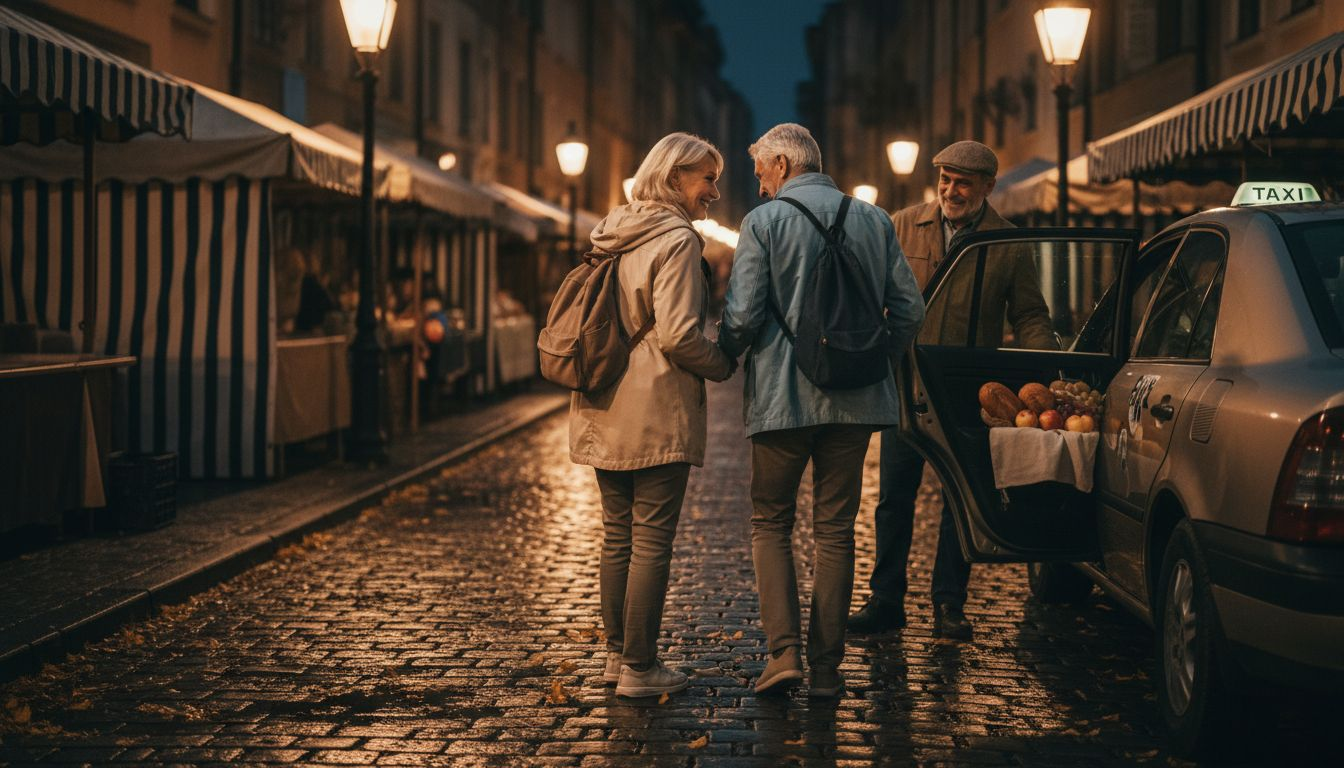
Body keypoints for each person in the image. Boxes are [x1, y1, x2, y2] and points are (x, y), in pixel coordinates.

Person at [717, 123, 923, 698]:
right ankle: (827, 670)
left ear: (783, 164)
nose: (760, 184)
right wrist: (875, 359)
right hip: (856, 401)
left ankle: (784, 654)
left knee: (771, 522)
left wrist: (723, 356)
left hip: (781, 398)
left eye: (761, 171)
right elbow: (910, 311)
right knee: (835, 530)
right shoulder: (874, 220)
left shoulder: (764, 222)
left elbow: (742, 316)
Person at [847, 140, 1054, 641]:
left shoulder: (1006, 240)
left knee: (958, 500)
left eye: (963, 182)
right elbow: (868, 293)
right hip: (907, 383)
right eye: (945, 179)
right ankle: (885, 600)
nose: (951, 190)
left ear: (988, 186)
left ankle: (949, 602)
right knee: (893, 498)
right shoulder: (903, 224)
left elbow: (1029, 313)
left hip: (965, 389)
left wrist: (1047, 370)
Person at [569, 132, 735, 698]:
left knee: (617, 537)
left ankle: (617, 657)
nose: (714, 192)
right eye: (707, 179)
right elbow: (681, 336)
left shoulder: (612, 231)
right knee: (650, 542)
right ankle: (640, 667)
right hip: (655, 406)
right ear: (673, 177)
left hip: (603, 398)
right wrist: (722, 363)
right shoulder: (677, 240)